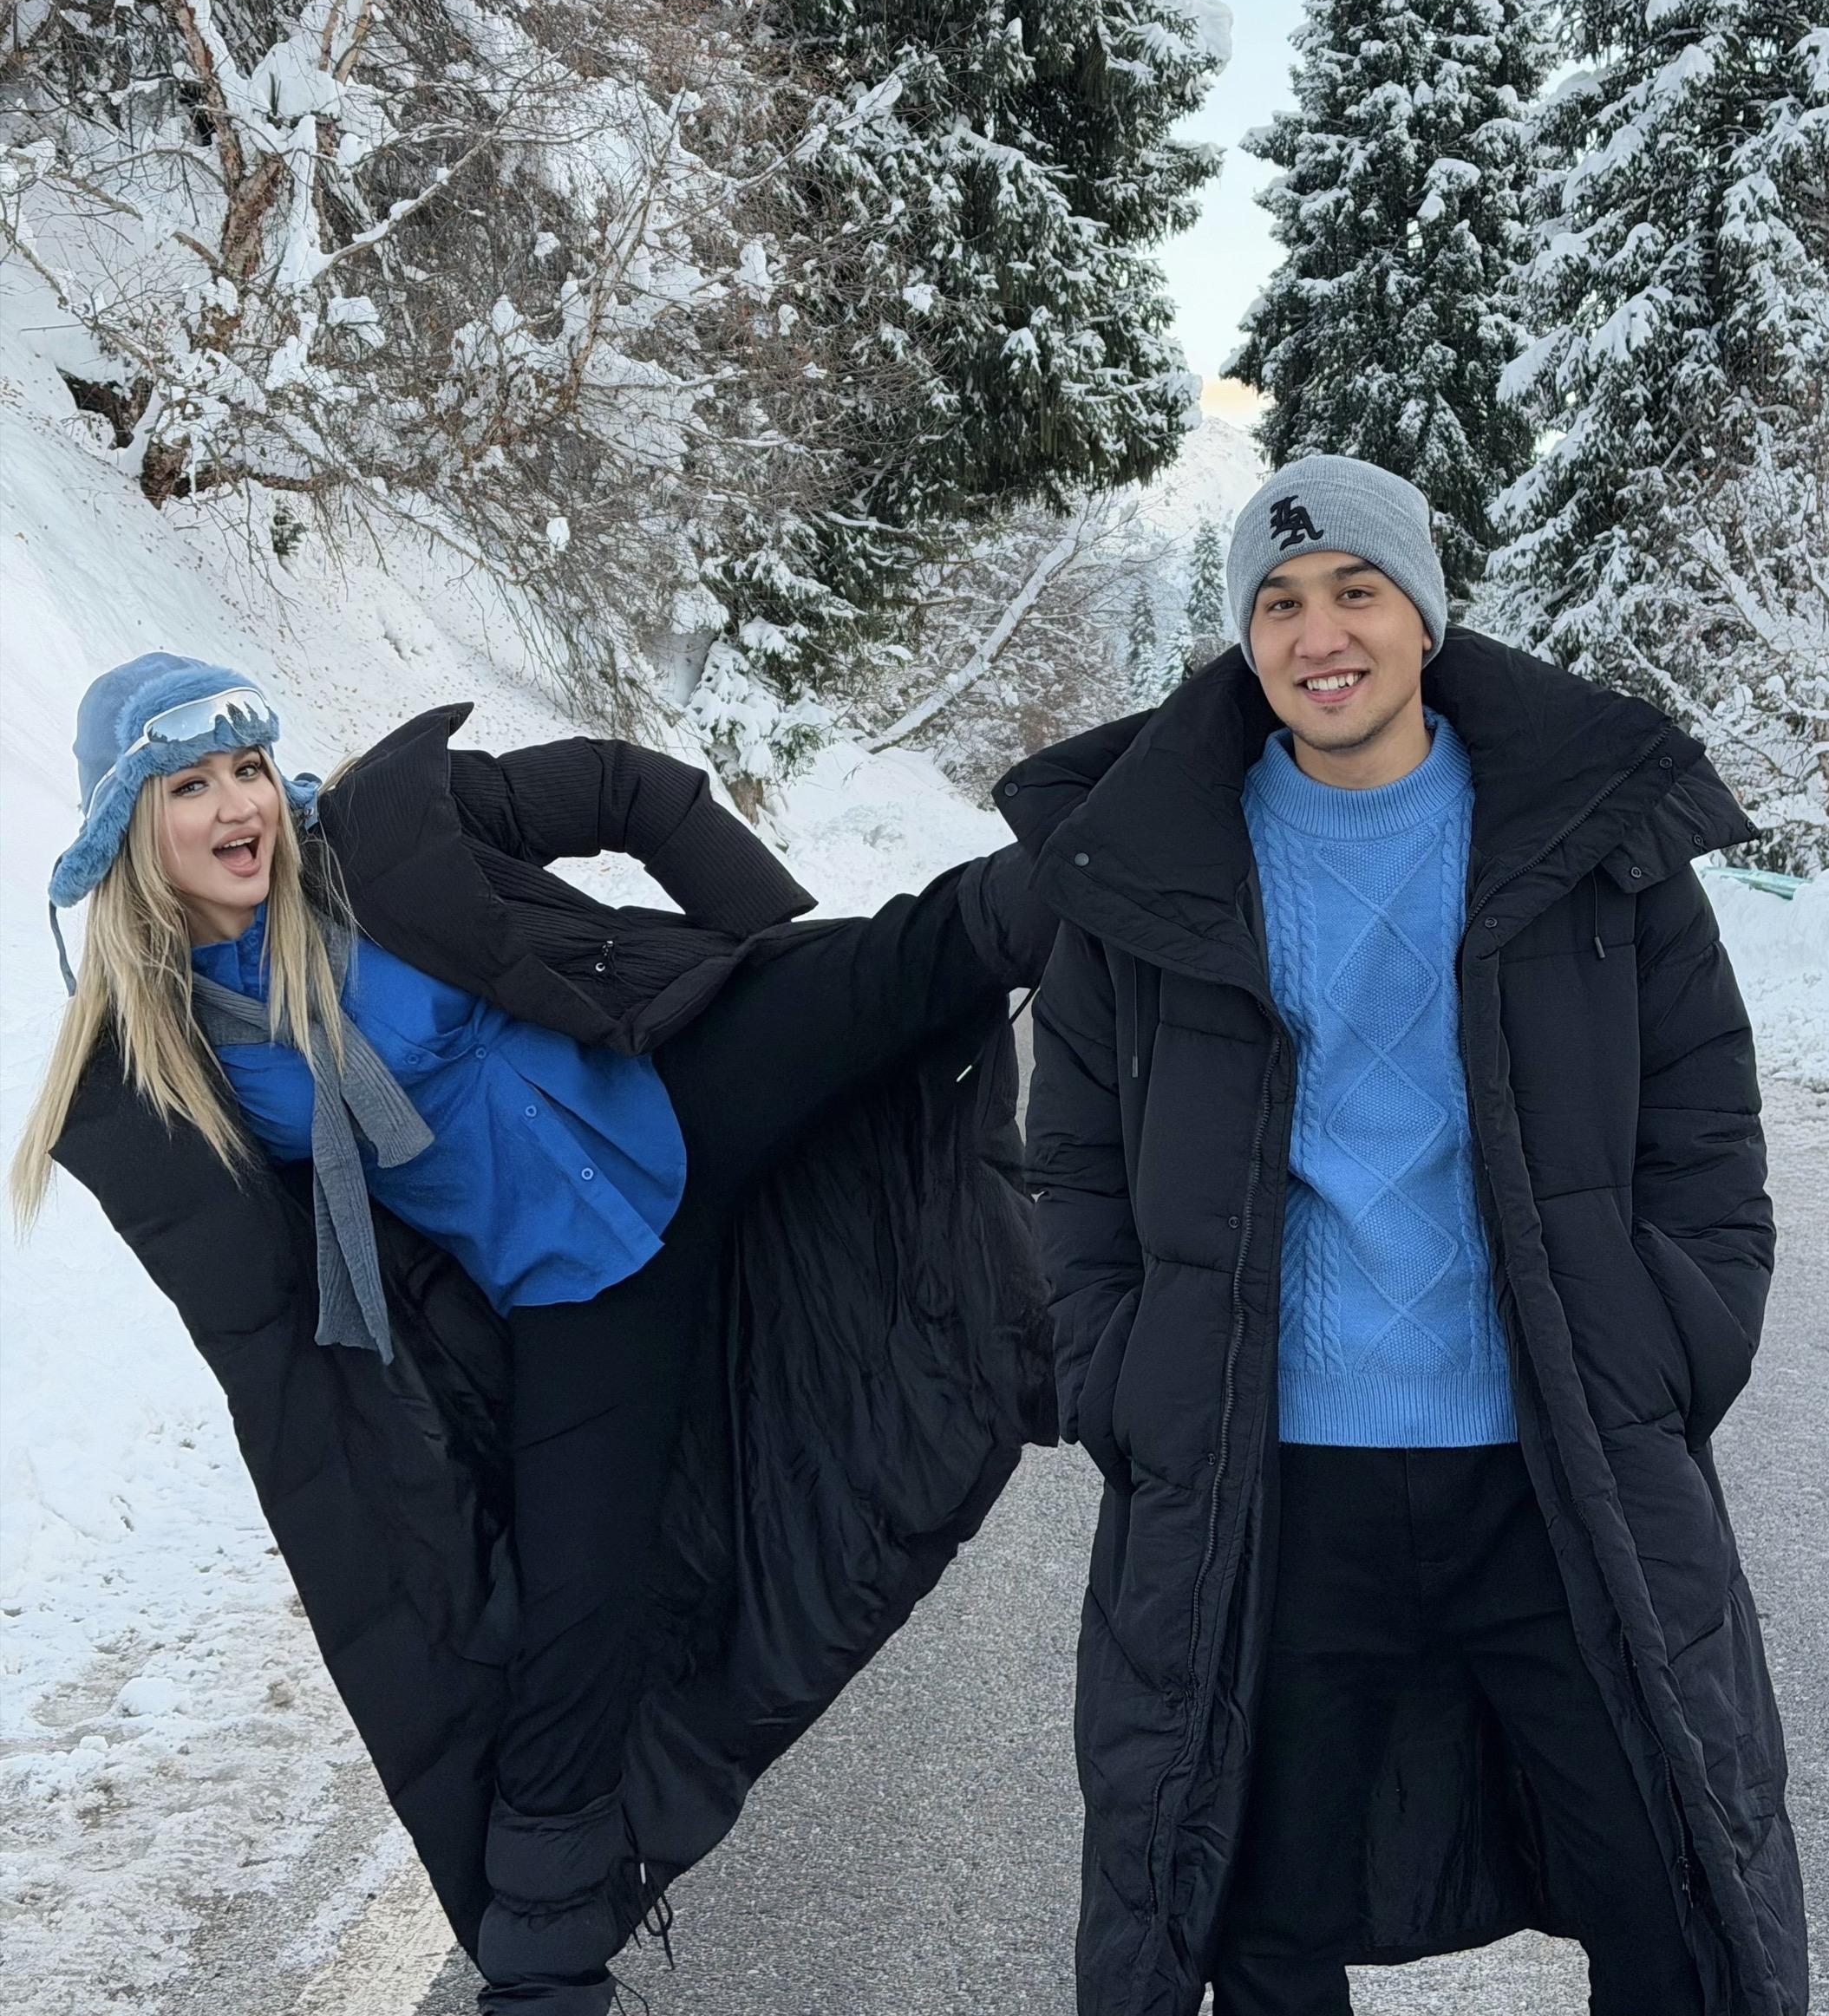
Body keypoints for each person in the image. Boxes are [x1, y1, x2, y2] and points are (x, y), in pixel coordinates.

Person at [16, 656, 1058, 2014]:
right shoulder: (173, 1058)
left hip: (677, 1085)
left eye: (249, 769)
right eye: (191, 785)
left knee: (925, 953)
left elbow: (629, 789)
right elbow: (271, 1306)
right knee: (576, 1632)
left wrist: (760, 946)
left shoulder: (386, 837)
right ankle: (542, 1973)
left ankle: (1189, 833)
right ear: (128, 830)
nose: (240, 806)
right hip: (567, 1292)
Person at [996, 454, 1804, 2016]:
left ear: (1424, 614)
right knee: (1263, 1917)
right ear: (1248, 637)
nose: (1321, 636)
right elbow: (1073, 1159)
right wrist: (1121, 1368)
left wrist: (1672, 1336)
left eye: (1356, 591)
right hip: (1279, 1480)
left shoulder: (1589, 834)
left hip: (1553, 1464)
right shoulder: (1151, 866)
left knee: (1669, 1887)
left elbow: (1706, 1120)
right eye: (1281, 604)